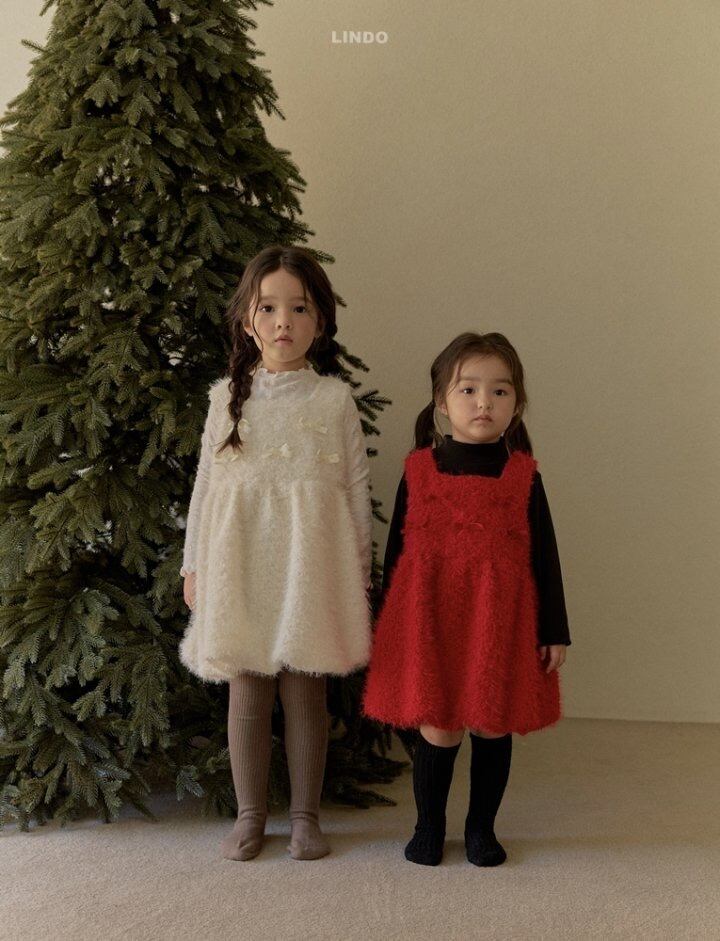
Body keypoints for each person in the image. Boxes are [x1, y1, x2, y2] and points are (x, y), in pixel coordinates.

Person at [180, 245, 372, 862]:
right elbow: (205, 486)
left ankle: (305, 817)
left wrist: (358, 571)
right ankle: (250, 815)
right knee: (248, 689)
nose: (283, 321)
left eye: (300, 308)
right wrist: (193, 564)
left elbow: (355, 489)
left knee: (305, 689)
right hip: (239, 563)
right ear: (248, 320)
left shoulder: (334, 400)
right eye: (268, 308)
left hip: (309, 566)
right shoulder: (225, 399)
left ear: (321, 323)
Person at [362, 331, 571, 868]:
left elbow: (545, 556)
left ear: (516, 404)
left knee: (491, 720)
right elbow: (398, 554)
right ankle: (428, 826)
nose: (484, 402)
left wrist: (554, 630)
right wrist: (389, 627)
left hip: (499, 620)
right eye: (469, 389)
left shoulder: (524, 475)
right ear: (441, 401)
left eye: (500, 391)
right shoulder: (419, 470)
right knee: (438, 723)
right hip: (431, 619)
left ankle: (481, 829)